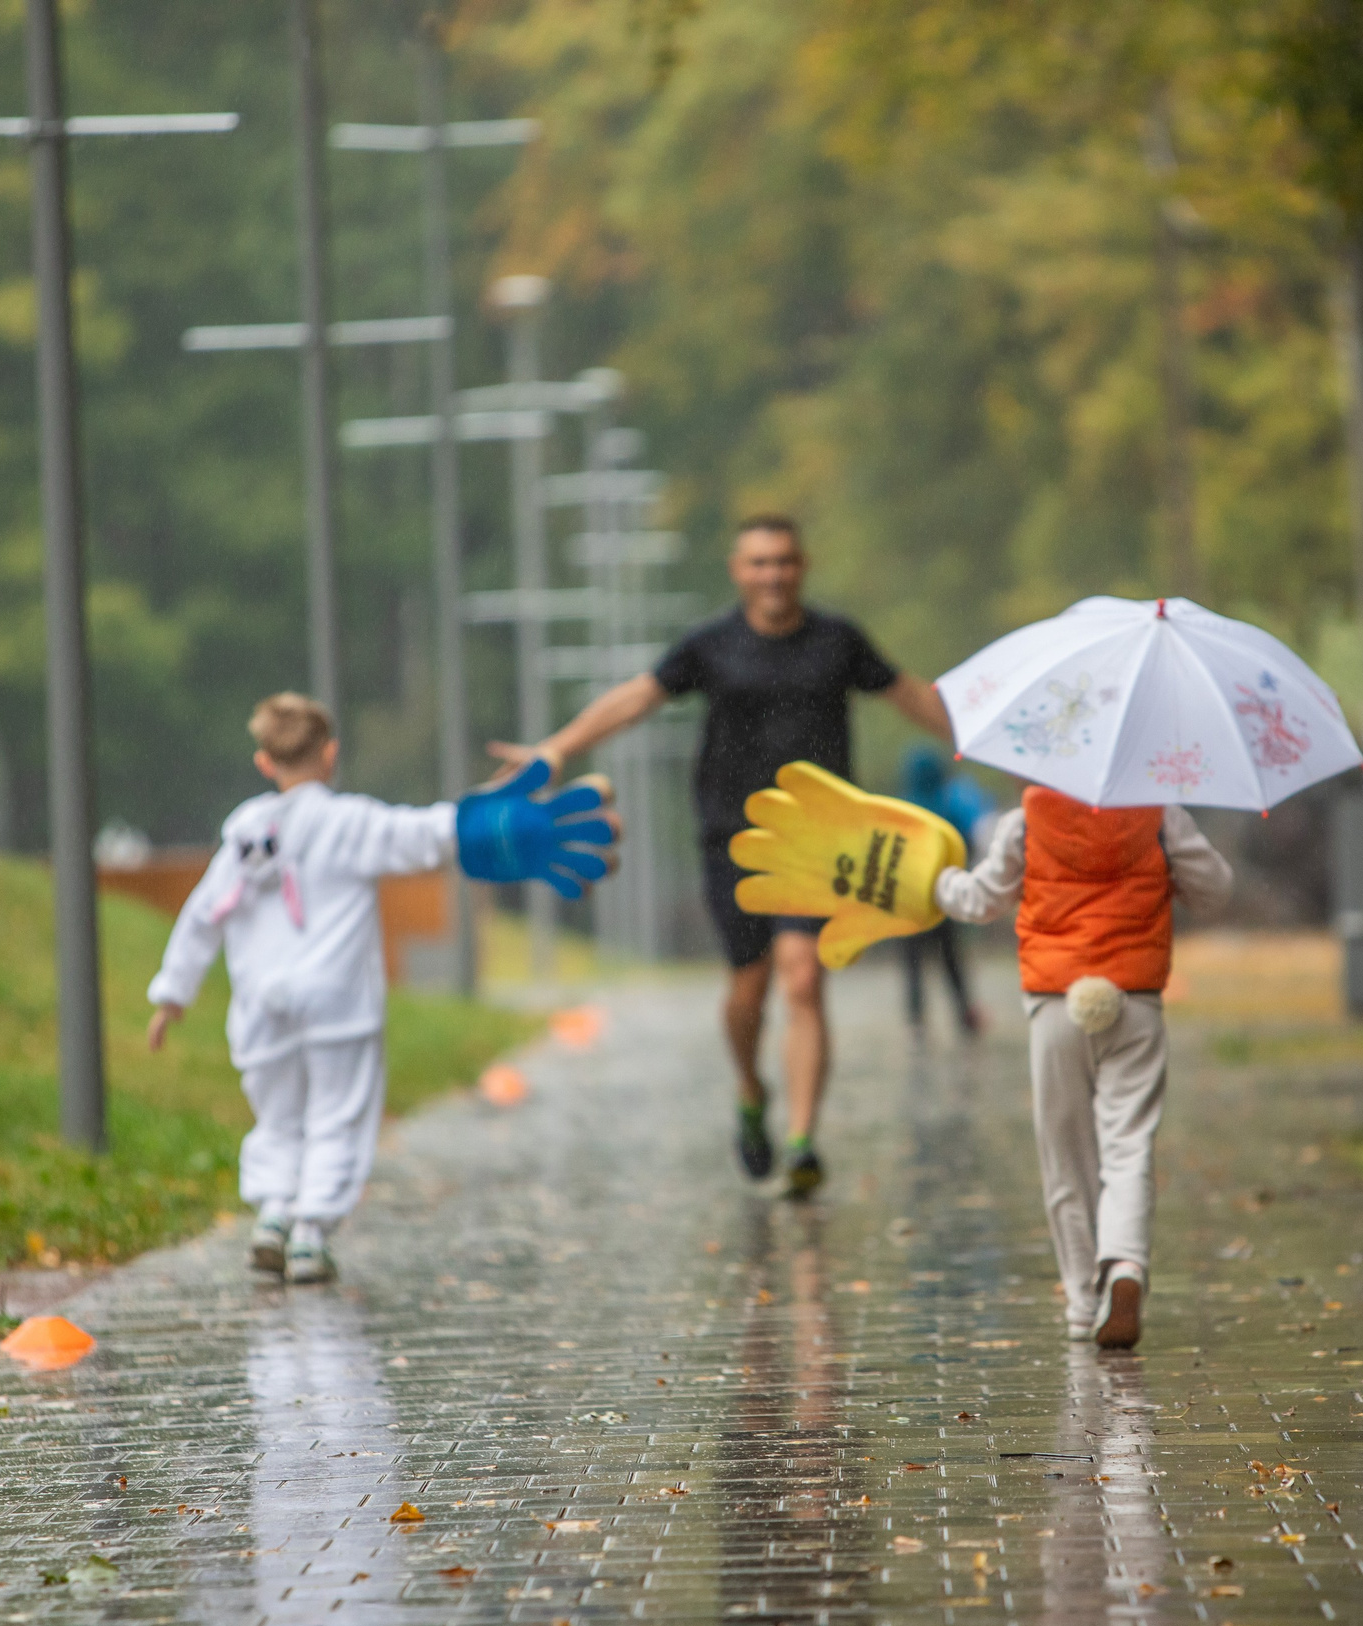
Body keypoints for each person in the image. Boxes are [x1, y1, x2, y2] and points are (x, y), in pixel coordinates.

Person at [491, 514, 952, 1198]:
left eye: (786, 561)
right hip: (731, 837)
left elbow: (911, 693)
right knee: (749, 988)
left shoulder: (838, 641)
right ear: (739, 571)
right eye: (760, 562)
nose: (774, 574)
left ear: (804, 566)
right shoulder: (711, 645)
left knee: (802, 977)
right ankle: (749, 1086)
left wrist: (992, 744)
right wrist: (558, 748)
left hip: (821, 841)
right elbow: (637, 698)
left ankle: (801, 1141)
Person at [150, 693, 616, 1281]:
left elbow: (202, 914)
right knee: (337, 1116)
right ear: (331, 755)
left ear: (264, 763)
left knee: (278, 1116)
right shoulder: (350, 821)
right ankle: (310, 1235)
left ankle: (272, 1214)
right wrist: (479, 822)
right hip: (336, 1004)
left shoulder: (245, 833)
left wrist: (173, 993)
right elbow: (423, 834)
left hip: (262, 1005)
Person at [933, 785, 1233, 1349]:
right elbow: (1215, 892)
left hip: (1055, 1004)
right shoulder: (1160, 813)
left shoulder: (1024, 820)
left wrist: (936, 883)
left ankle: (1080, 1302)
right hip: (1135, 999)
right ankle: (1125, 1267)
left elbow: (981, 900)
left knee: (1065, 1157)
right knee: (1128, 1146)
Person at [896, 747, 988, 1038]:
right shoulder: (949, 805)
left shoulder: (901, 810)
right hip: (943, 901)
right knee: (951, 961)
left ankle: (916, 1022)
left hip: (906, 905)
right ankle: (964, 1016)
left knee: (912, 966)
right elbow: (967, 845)